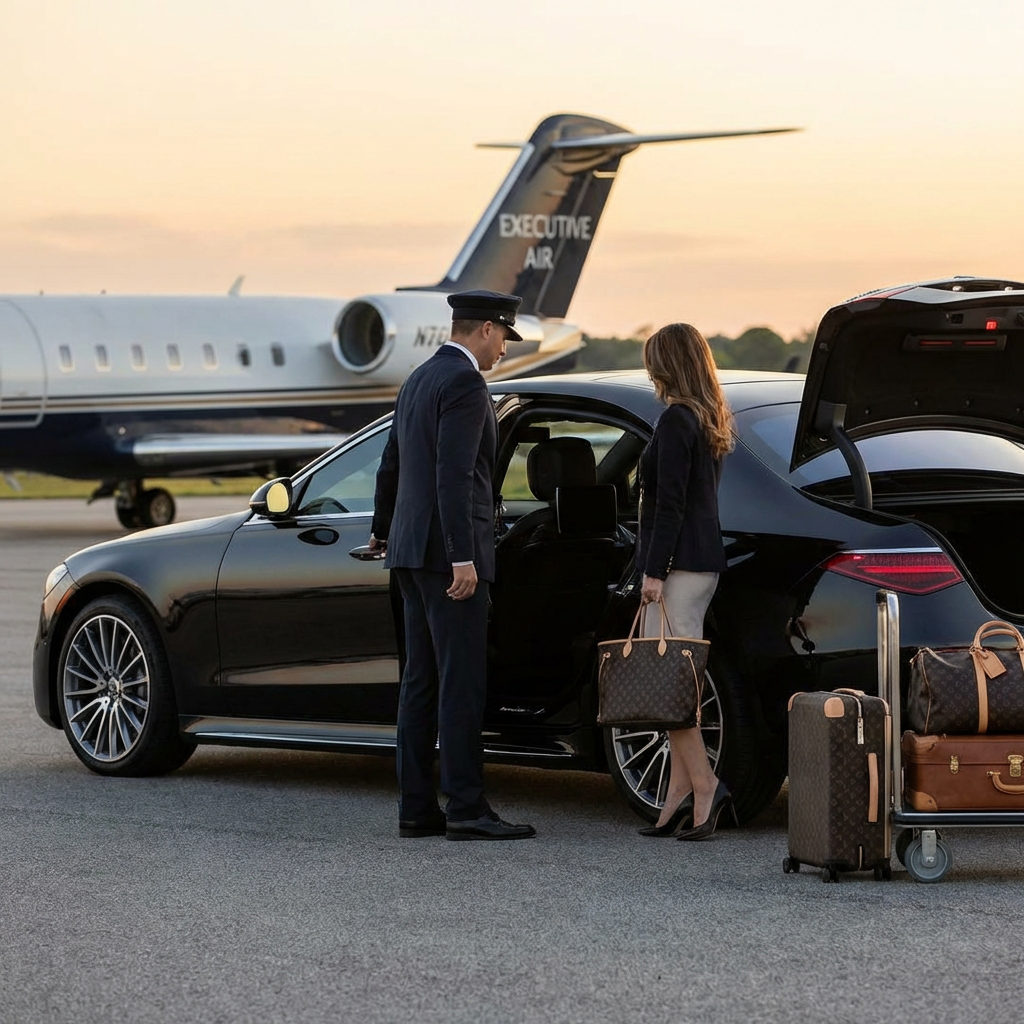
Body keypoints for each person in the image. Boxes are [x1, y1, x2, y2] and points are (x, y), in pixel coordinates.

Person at [369, 290, 536, 842]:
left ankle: (416, 809)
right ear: (486, 329)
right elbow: (456, 476)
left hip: (411, 552)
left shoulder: (418, 378)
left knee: (420, 682)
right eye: (503, 340)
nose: (503, 353)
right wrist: (463, 556)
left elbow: (391, 462)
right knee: (460, 683)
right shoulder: (466, 384)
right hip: (448, 558)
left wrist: (380, 530)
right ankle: (466, 807)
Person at [633, 323, 737, 841]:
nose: (650, 371)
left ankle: (704, 785)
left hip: (678, 569)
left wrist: (652, 572)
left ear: (667, 365)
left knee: (669, 686)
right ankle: (677, 795)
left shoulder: (676, 420)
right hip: (702, 565)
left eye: (654, 361)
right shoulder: (708, 417)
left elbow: (669, 505)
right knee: (680, 683)